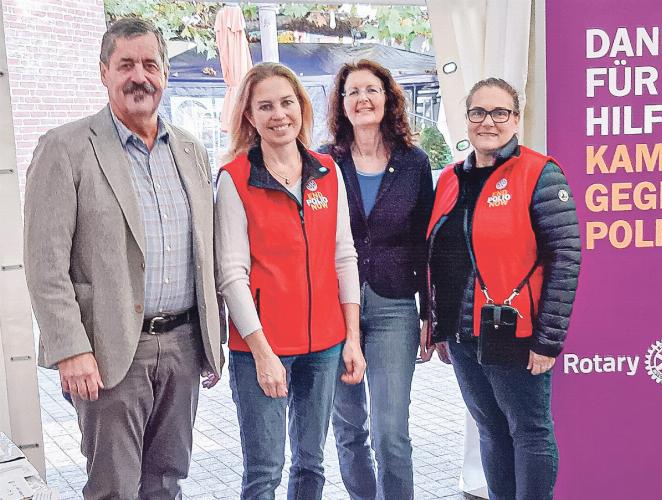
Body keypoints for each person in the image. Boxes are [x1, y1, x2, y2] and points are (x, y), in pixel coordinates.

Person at [23, 18, 223, 500]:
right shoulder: (65, 148)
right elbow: (45, 266)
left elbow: (205, 253)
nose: (140, 76)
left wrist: (212, 338)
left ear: (165, 75)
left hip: (182, 345)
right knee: (114, 487)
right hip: (109, 352)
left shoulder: (191, 150)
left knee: (168, 480)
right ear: (104, 72)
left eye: (150, 64)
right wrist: (72, 349)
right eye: (126, 64)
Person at [215, 62, 366, 499]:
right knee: (264, 470)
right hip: (261, 348)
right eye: (265, 106)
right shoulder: (235, 179)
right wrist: (262, 353)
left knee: (311, 463)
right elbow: (231, 275)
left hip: (325, 345)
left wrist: (351, 338)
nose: (278, 115)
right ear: (249, 116)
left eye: (287, 103)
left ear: (301, 108)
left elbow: (344, 256)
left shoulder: (326, 171)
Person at [425, 77, 581, 500]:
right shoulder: (450, 179)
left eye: (500, 113)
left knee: (529, 431)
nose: (488, 122)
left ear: (516, 118)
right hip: (463, 334)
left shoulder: (539, 173)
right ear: (467, 118)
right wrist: (437, 326)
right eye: (478, 112)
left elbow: (565, 260)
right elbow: (439, 257)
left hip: (516, 330)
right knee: (490, 428)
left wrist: (548, 341)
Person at [322, 59, 434, 499]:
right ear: (342, 104)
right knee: (349, 429)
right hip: (335, 308)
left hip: (394, 306)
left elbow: (425, 241)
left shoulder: (414, 163)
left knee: (391, 433)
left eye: (371, 90)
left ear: (387, 99)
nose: (362, 99)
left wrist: (432, 314)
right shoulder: (324, 162)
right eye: (352, 92)